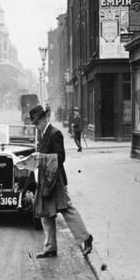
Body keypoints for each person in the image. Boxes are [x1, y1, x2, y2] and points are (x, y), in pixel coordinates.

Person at [27, 104, 93, 258]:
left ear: (44, 119)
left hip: (57, 180)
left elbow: (61, 157)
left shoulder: (55, 133)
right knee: (45, 213)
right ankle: (50, 248)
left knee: (67, 209)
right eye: (35, 124)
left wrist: (42, 158)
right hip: (46, 180)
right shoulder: (43, 133)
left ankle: (86, 238)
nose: (36, 126)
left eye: (37, 123)